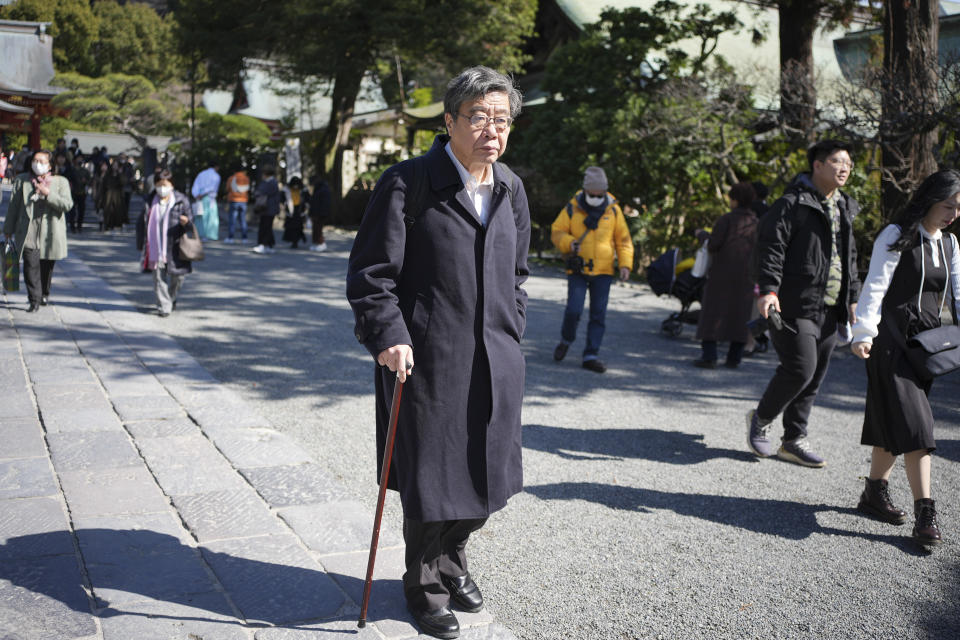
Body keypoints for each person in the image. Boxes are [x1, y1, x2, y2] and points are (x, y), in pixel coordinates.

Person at [346, 65, 530, 640]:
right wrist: (390, 335)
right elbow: (372, 274)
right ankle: (423, 586)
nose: (491, 130)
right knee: (432, 478)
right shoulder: (410, 183)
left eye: (501, 119)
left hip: (495, 358)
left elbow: (518, 274)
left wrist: (512, 326)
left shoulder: (510, 188)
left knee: (485, 476)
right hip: (426, 358)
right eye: (477, 117)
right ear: (449, 121)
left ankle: (452, 561)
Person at [849, 170, 960, 548]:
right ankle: (925, 513)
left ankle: (874, 491)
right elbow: (875, 286)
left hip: (925, 349)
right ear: (931, 200)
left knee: (893, 419)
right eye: (949, 205)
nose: (954, 214)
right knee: (918, 428)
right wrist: (863, 332)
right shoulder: (896, 234)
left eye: (958, 208)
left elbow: (958, 294)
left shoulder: (951, 245)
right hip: (890, 343)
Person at [746, 139, 861, 468]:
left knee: (815, 375)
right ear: (818, 165)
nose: (844, 168)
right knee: (800, 368)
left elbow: (849, 257)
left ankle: (793, 439)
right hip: (794, 302)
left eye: (849, 164)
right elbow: (771, 247)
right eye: (838, 161)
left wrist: (852, 298)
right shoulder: (792, 203)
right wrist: (768, 289)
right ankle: (761, 418)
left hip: (831, 305)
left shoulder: (845, 206)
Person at [550, 166, 633, 373]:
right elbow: (557, 231)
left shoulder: (613, 209)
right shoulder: (572, 207)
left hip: (604, 271)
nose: (596, 197)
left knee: (598, 314)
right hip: (578, 268)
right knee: (573, 310)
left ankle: (590, 355)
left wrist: (625, 264)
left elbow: (623, 240)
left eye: (599, 194)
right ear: (585, 191)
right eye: (592, 194)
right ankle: (566, 340)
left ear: (604, 191)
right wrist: (569, 243)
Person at [693, 182, 759, 368]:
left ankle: (709, 356)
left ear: (735, 200)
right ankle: (734, 358)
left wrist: (702, 235)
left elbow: (714, 245)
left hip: (721, 274)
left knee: (713, 313)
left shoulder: (727, 220)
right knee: (740, 316)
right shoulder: (756, 223)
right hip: (746, 276)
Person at [2, 150, 72, 311]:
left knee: (46, 267)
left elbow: (67, 205)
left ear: (50, 165)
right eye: (35, 160)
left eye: (42, 161)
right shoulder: (22, 181)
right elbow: (13, 207)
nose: (37, 164)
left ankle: (44, 294)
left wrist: (48, 194)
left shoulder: (61, 182)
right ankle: (34, 299)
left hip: (50, 232)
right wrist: (8, 229)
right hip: (28, 231)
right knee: (29, 265)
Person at [136, 170, 196, 317]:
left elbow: (191, 224)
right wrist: (140, 243)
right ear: (155, 185)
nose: (162, 188)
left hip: (176, 246)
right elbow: (141, 224)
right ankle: (164, 305)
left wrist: (186, 222)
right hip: (155, 246)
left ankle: (171, 298)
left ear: (172, 185)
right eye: (159, 184)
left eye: (166, 185)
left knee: (178, 277)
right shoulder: (149, 201)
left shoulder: (181, 201)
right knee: (158, 277)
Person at [251, 166, 281, 254]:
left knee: (265, 227)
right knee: (266, 226)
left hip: (268, 208)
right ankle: (269, 245)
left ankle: (263, 244)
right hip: (267, 208)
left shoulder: (271, 183)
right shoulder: (271, 182)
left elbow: (261, 191)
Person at [191, 161, 221, 241]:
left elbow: (195, 185)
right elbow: (213, 188)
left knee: (200, 215)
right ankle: (209, 235)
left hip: (199, 197)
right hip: (209, 198)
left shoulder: (201, 174)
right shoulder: (216, 176)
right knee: (210, 217)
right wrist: (203, 194)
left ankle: (199, 234)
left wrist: (196, 195)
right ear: (216, 167)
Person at [224, 165, 250, 243]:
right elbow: (248, 189)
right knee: (243, 220)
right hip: (244, 200)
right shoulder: (246, 178)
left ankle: (230, 238)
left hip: (234, 200)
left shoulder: (232, 178)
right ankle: (244, 238)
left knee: (232, 220)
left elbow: (227, 189)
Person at [281, 176, 309, 249]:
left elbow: (307, 199)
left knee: (298, 226)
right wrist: (283, 206)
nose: (296, 187)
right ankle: (295, 241)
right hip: (290, 210)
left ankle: (297, 240)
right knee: (291, 227)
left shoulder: (303, 190)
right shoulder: (286, 189)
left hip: (300, 210)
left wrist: (306, 207)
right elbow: (281, 199)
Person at [99, 160, 126, 231]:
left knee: (117, 210)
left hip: (117, 195)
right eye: (114, 165)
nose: (115, 167)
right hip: (108, 194)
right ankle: (107, 224)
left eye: (116, 165)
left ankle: (116, 224)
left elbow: (123, 182)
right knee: (108, 210)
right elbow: (104, 185)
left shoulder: (120, 175)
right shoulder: (108, 175)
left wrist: (120, 174)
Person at [67, 154, 90, 233]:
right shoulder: (71, 170)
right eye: (78, 159)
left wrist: (85, 182)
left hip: (82, 192)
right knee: (72, 211)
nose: (79, 160)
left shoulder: (85, 171)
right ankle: (72, 226)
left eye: (81, 159)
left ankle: (79, 226)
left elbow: (89, 181)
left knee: (81, 210)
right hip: (73, 192)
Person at [308, 176, 331, 251]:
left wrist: (320, 213)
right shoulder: (319, 189)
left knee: (318, 229)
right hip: (317, 213)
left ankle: (321, 243)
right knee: (316, 229)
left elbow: (323, 203)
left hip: (320, 213)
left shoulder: (322, 189)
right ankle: (317, 243)